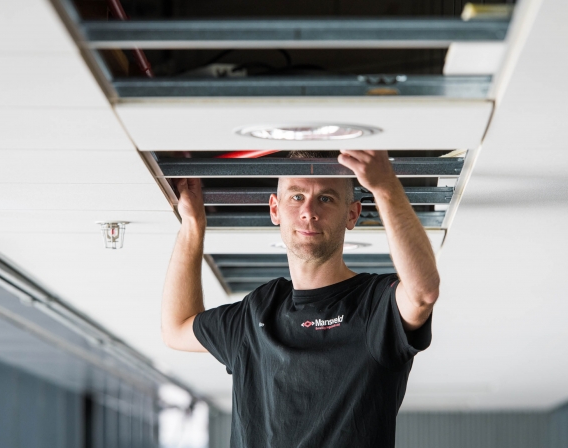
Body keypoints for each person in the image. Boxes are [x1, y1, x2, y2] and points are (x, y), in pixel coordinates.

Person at [161, 150, 440, 447]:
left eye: (326, 198)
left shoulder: (374, 307)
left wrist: (385, 186)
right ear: (275, 209)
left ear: (353, 214)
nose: (309, 211)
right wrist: (192, 225)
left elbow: (422, 293)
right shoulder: (257, 313)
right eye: (296, 197)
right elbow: (176, 329)